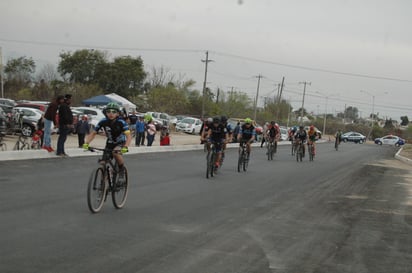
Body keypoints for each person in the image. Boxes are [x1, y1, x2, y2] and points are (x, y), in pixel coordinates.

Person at [83, 102, 131, 180]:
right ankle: (104, 183)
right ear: (105, 113)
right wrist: (86, 143)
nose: (111, 114)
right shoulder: (103, 121)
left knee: (115, 153)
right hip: (110, 142)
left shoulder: (121, 122)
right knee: (103, 162)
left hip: (120, 142)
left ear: (118, 114)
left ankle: (121, 170)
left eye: (114, 112)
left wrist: (126, 146)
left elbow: (128, 136)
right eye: (108, 112)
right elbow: (93, 133)